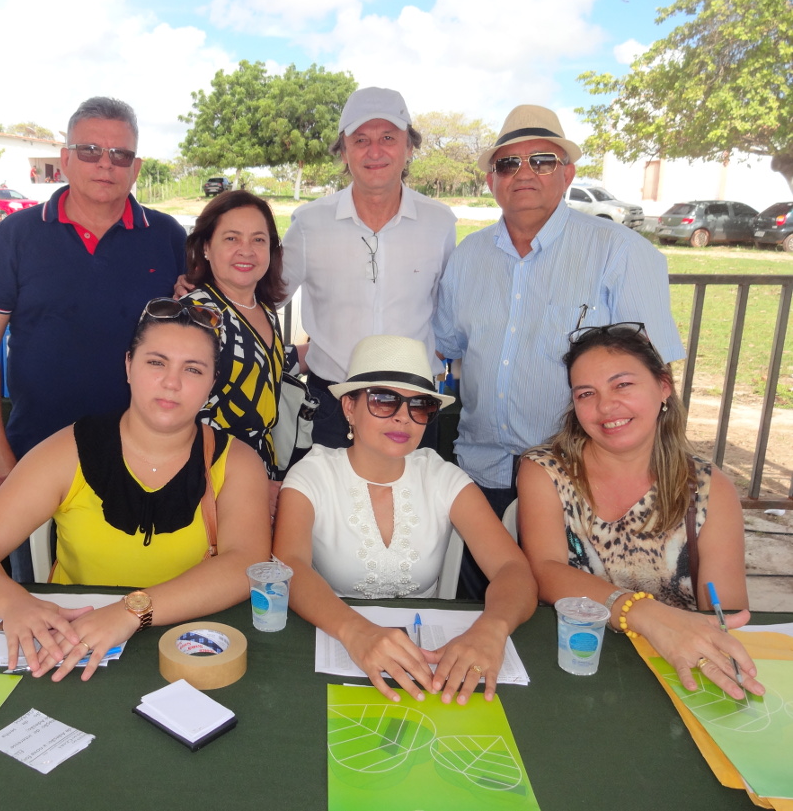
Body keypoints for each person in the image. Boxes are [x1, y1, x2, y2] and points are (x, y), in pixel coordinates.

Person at [0, 299, 270, 681]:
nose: (171, 382)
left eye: (193, 369)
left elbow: (244, 564)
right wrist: (16, 603)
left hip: (187, 650)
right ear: (129, 366)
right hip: (74, 644)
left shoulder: (237, 462)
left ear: (212, 384)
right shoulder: (70, 450)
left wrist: (131, 610)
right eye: (156, 362)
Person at [433, 104, 685, 598]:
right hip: (480, 474)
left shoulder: (622, 253)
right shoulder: (467, 259)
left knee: (577, 618)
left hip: (580, 480)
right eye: (508, 163)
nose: (523, 173)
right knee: (482, 613)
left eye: (542, 160)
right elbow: (447, 347)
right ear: (490, 180)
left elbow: (653, 376)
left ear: (567, 173)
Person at [0, 96, 186, 582]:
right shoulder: (16, 236)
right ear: (64, 159)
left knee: (132, 589)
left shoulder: (167, 236)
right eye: (89, 151)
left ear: (136, 167)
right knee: (29, 590)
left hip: (140, 455)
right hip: (35, 451)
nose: (105, 164)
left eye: (120, 155)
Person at [273, 335, 536, 705]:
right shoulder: (312, 475)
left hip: (429, 662)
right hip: (333, 644)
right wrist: (356, 632)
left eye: (420, 406)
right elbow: (290, 566)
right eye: (384, 400)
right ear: (349, 407)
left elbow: (514, 568)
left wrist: (491, 629)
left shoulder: (442, 477)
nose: (402, 417)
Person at [517, 322, 764, 700]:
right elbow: (545, 570)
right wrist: (644, 614)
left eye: (623, 385)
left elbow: (725, 612)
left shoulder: (709, 488)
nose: (605, 406)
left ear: (663, 386)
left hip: (676, 673)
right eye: (586, 393)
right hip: (575, 659)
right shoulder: (545, 470)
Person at [279, 87, 456, 449]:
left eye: (388, 137)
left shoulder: (440, 223)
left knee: (414, 506)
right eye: (361, 140)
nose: (375, 151)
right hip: (330, 408)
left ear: (409, 147)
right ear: (343, 151)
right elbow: (264, 296)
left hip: (414, 407)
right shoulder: (309, 223)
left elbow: (449, 308)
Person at [179, 190, 286, 489]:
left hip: (263, 468)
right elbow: (181, 417)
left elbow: (259, 362)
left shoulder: (263, 308)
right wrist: (249, 488)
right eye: (231, 238)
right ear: (206, 248)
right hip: (212, 480)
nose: (246, 250)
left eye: (258, 239)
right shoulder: (195, 316)